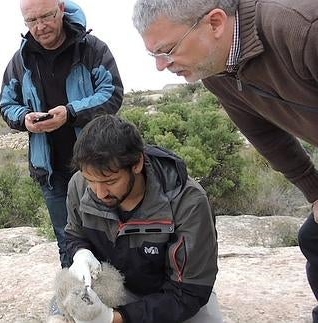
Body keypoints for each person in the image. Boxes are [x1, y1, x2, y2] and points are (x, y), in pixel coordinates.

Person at [132, 0, 318, 320]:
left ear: (215, 23)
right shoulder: (217, 70)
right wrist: (314, 191)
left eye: (167, 49)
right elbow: (265, 135)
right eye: (154, 55)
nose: (161, 65)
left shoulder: (301, 29)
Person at [59, 114, 221, 323]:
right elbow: (74, 235)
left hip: (172, 296)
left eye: (110, 181)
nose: (99, 193)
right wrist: (80, 253)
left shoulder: (187, 202)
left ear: (137, 164)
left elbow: (189, 292)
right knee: (62, 308)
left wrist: (113, 318)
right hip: (115, 287)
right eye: (91, 180)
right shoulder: (79, 185)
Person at [0, 0, 124, 268]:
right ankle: (76, 299)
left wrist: (70, 113)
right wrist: (25, 119)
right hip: (51, 170)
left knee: (112, 237)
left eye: (46, 16)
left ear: (61, 9)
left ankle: (117, 302)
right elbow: (7, 105)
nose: (40, 26)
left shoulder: (91, 49)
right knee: (66, 239)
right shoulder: (20, 61)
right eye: (31, 21)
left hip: (98, 167)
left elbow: (112, 94)